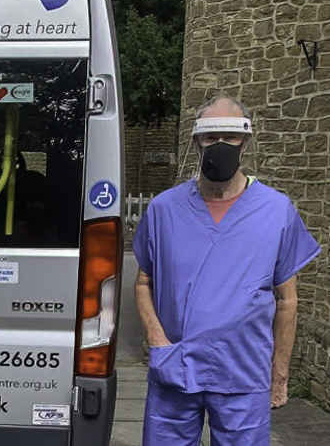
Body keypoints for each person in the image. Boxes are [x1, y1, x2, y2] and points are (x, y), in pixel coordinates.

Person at [133, 96, 320, 445]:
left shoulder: (276, 211)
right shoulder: (164, 210)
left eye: (230, 136)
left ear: (245, 141)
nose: (220, 144)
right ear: (196, 141)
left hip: (243, 374)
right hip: (177, 367)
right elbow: (143, 282)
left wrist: (278, 376)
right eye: (210, 136)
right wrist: (157, 339)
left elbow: (287, 301)